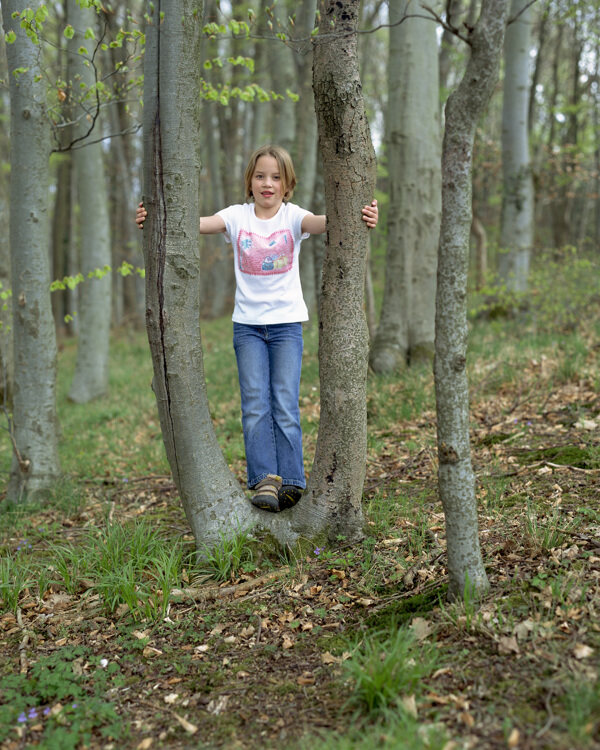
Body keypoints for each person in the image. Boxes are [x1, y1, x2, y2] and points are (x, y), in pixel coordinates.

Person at [136, 144, 378, 512]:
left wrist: (364, 214)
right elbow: (194, 224)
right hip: (247, 328)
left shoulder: (293, 217)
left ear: (288, 184)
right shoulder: (236, 217)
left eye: (276, 177)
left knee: (284, 401)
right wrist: (153, 216)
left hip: (285, 327)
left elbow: (331, 220)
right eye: (260, 176)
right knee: (254, 404)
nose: (268, 183)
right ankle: (265, 479)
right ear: (249, 182)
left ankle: (293, 480)